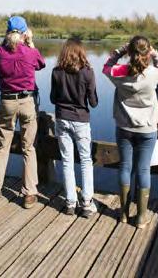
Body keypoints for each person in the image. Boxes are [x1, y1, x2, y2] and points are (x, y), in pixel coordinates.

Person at [102, 36, 158, 229]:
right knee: (144, 169)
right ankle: (141, 217)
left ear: (130, 53)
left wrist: (119, 51)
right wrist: (156, 55)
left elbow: (106, 66)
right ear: (147, 53)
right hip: (147, 130)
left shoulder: (120, 71)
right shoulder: (152, 73)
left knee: (125, 167)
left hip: (124, 128)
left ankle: (122, 214)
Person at [0, 16, 46, 208]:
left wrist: (6, 42)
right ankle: (29, 194)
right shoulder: (30, 52)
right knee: (28, 148)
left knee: (1, 147)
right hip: (27, 102)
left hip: (6, 102)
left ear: (7, 32)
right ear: (24, 32)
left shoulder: (0, 52)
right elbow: (41, 64)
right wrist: (30, 43)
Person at [50, 38, 98, 217]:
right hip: (81, 121)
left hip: (62, 119)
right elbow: (93, 103)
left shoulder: (56, 72)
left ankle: (70, 202)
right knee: (86, 160)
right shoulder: (88, 72)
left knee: (67, 161)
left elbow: (53, 99)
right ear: (81, 52)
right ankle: (86, 203)